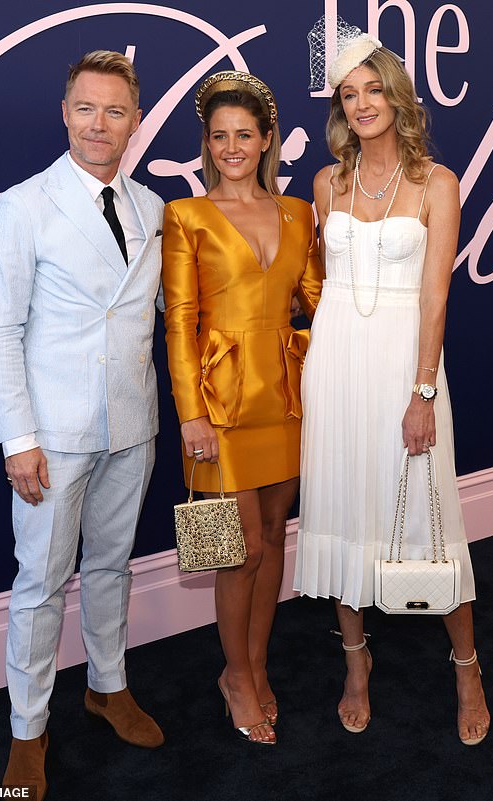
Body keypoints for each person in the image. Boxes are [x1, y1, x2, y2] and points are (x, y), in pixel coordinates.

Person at [294, 20, 490, 745]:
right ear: (340, 108)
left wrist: (424, 390)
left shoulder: (437, 183)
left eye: (375, 89)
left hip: (405, 368)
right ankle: (356, 660)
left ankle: (467, 665)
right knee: (343, 504)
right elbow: (323, 287)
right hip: (337, 364)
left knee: (429, 515)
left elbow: (436, 296)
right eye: (350, 94)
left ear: (398, 97)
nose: (363, 103)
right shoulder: (326, 182)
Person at [0, 50, 165, 799]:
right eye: (87, 108)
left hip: (132, 424)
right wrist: (18, 439)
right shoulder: (24, 207)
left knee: (112, 565)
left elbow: (168, 317)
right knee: (41, 583)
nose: (99, 123)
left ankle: (107, 686)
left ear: (135, 122)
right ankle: (28, 730)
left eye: (115, 111)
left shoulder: (152, 209)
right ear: (65, 112)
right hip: (51, 435)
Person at [162, 71, 323, 745]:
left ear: (266, 142)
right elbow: (178, 321)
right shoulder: (186, 215)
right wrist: (189, 413)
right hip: (218, 410)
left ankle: (254, 667)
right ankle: (236, 674)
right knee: (239, 549)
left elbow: (321, 303)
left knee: (275, 538)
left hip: (287, 401)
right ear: (207, 143)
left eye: (244, 135)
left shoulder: (297, 214)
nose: (232, 147)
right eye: (219, 136)